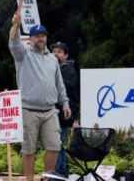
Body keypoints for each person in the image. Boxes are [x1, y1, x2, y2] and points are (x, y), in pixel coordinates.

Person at [8, 13, 71, 181]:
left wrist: (65, 103)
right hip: (28, 109)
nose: (40, 38)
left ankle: (47, 178)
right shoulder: (22, 55)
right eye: (36, 36)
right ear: (30, 39)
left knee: (54, 146)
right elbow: (13, 43)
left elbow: (59, 84)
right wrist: (15, 25)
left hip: (50, 110)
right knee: (28, 149)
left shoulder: (52, 59)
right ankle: (29, 179)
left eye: (42, 35)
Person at [51, 41, 80, 177]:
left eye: (59, 52)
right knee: (57, 144)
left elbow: (65, 90)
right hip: (56, 114)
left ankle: (60, 173)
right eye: (54, 51)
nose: (56, 54)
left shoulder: (68, 69)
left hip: (64, 114)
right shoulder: (54, 68)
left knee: (58, 144)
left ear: (66, 55)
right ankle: (61, 172)